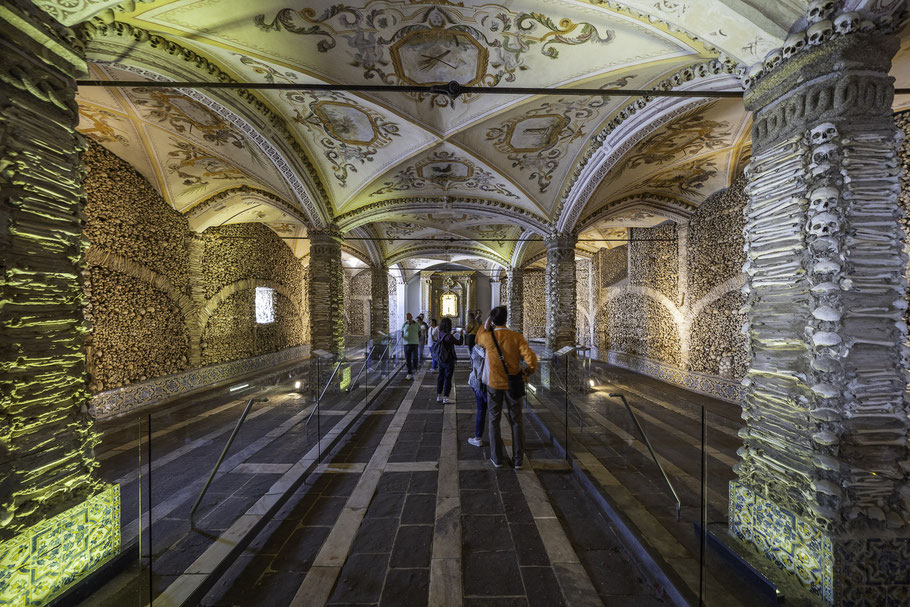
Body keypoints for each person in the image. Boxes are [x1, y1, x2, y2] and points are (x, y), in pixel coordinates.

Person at [476, 305, 537, 469]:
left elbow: (478, 338)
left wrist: (486, 322)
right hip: (513, 383)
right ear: (506, 318)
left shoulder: (488, 337)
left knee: (494, 420)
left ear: (493, 320)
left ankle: (497, 458)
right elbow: (531, 358)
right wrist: (528, 371)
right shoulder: (516, 337)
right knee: (517, 421)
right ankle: (518, 460)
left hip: (494, 384)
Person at [435, 318, 463, 404]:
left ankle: (439, 395)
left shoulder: (440, 334)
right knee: (448, 378)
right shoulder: (449, 337)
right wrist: (461, 335)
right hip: (449, 360)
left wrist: (452, 334)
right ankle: (446, 397)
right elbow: (459, 343)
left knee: (441, 377)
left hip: (441, 359)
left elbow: (445, 339)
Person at [467, 342, 487, 447]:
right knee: (495, 414)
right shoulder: (495, 348)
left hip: (479, 384)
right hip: (493, 384)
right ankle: (495, 438)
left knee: (481, 410)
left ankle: (478, 438)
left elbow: (473, 367)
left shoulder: (476, 349)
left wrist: (472, 382)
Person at [401, 313, 420, 380]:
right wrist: (403, 337)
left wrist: (416, 339)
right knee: (408, 359)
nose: (407, 317)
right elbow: (402, 333)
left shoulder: (417, 324)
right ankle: (409, 373)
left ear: (411, 316)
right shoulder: (404, 324)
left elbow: (419, 333)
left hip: (415, 343)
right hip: (406, 344)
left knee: (415, 358)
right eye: (406, 316)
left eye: (408, 316)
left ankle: (415, 371)